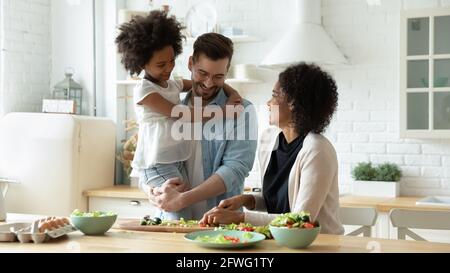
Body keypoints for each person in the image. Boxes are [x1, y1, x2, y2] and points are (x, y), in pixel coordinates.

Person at [115, 11, 242, 220]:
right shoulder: (145, 91)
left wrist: (232, 92)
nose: (168, 69)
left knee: (179, 209)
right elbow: (180, 114)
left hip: (172, 161)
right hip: (155, 162)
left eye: (171, 61)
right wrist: (222, 112)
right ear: (142, 63)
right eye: (160, 65)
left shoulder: (172, 84)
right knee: (177, 211)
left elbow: (206, 82)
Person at [200, 63, 345, 235]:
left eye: (274, 96)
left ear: (293, 103)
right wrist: (247, 200)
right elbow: (280, 202)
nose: (269, 103)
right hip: (281, 241)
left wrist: (240, 218)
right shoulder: (269, 140)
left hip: (319, 246)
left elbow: (300, 220)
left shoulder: (318, 150)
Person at [146, 33, 258, 220]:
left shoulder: (242, 110)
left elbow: (235, 169)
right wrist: (152, 190)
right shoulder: (172, 109)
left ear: (227, 72)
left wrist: (182, 200)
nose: (208, 83)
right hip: (172, 222)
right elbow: (150, 158)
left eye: (218, 77)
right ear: (190, 63)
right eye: (202, 73)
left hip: (220, 224)